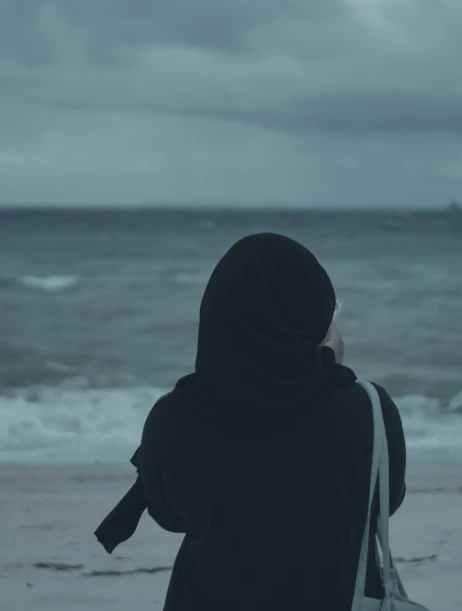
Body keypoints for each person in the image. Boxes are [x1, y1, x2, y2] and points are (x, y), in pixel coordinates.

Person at [95, 232, 406, 611]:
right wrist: (330, 376)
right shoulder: (371, 409)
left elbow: (171, 517)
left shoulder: (175, 418)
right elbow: (384, 504)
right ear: (312, 313)